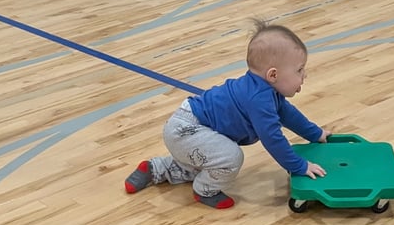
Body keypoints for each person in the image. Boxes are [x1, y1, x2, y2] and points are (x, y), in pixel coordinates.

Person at [124, 20, 329, 208]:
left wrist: (316, 134)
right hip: (188, 129)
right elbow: (272, 138)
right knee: (230, 156)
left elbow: (289, 115)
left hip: (188, 126)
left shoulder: (267, 92)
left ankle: (155, 168)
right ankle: (205, 190)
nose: (304, 75)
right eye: (299, 70)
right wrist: (298, 166)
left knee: (206, 158)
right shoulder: (259, 99)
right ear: (273, 74)